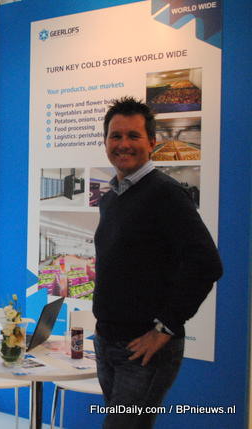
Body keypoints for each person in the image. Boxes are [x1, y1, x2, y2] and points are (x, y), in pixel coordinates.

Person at [92, 96, 222, 429]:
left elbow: (206, 263)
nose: (123, 144)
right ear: (105, 142)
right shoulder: (112, 198)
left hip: (143, 349)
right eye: (115, 136)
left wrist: (166, 328)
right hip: (108, 342)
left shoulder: (165, 194)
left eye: (133, 136)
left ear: (152, 142)